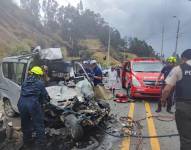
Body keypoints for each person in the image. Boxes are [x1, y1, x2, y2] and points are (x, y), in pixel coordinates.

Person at [161, 49, 191, 150]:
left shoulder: (179, 69)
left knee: (186, 138)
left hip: (184, 106)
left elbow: (166, 90)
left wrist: (163, 100)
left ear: (184, 58)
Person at [17, 66, 50, 150]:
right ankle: (41, 146)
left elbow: (23, 92)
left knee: (25, 123)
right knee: (39, 125)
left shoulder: (25, 82)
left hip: (21, 103)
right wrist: (46, 102)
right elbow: (44, 96)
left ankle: (26, 143)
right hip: (32, 104)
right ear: (38, 75)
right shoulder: (40, 83)